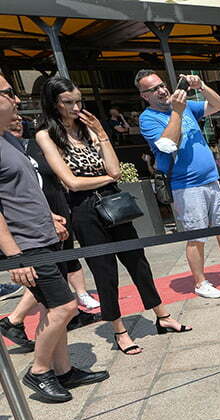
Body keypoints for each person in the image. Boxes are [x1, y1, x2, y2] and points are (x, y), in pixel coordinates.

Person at [36, 77, 191, 356]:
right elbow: (71, 183)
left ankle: (162, 315)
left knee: (138, 261)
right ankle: (118, 329)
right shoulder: (46, 135)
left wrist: (102, 135)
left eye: (78, 101)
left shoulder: (89, 129)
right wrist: (103, 178)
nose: (75, 107)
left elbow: (116, 171)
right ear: (54, 103)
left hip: (113, 201)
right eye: (68, 102)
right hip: (83, 209)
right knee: (104, 270)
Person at [0, 75, 108, 402]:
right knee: (64, 306)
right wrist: (15, 256)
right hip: (26, 245)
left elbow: (27, 189)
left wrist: (50, 217)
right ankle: (40, 370)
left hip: (43, 234)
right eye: (8, 93)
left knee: (53, 306)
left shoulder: (10, 139)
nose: (16, 100)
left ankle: (63, 371)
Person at [136, 70, 220, 299]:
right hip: (186, 185)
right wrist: (176, 112)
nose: (162, 90)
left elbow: (219, 105)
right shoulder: (148, 119)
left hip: (210, 179)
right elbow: (167, 144)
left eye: (162, 85)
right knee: (196, 236)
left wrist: (201, 87)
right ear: (144, 96)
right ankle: (200, 282)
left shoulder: (186, 106)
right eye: (153, 89)